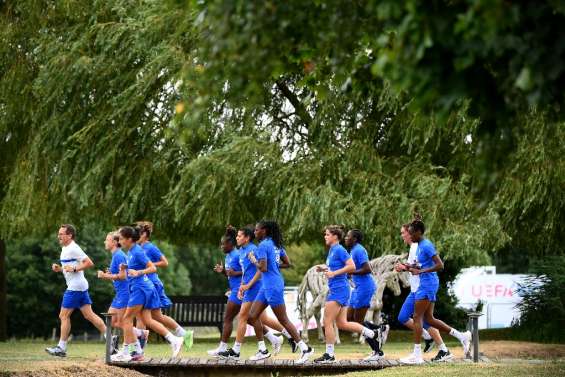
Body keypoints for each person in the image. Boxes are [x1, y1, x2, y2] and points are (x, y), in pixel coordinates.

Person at [399, 216, 471, 365]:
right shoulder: (418, 246)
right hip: (426, 284)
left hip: (427, 284)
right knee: (429, 319)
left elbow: (440, 265)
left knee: (417, 317)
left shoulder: (426, 245)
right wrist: (407, 268)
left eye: (412, 233)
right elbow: (420, 266)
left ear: (419, 232)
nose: (410, 236)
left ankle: (417, 356)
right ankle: (461, 336)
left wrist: (423, 271)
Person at [110, 226, 184, 362]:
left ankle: (131, 351)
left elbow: (152, 267)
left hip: (141, 288)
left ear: (129, 239)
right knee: (147, 319)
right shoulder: (132, 251)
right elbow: (136, 266)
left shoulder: (137, 251)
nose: (119, 241)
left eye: (121, 238)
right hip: (142, 288)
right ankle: (173, 339)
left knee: (126, 319)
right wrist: (126, 268)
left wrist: (138, 272)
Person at [216, 225, 289, 359]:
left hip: (256, 286)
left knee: (244, 317)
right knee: (256, 318)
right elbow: (245, 272)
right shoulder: (243, 251)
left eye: (239, 236)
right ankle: (277, 340)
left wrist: (248, 285)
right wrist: (241, 287)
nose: (237, 238)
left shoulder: (254, 249)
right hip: (248, 288)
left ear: (247, 238)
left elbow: (260, 270)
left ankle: (239, 351)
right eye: (236, 236)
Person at [246, 220, 314, 363]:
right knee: (251, 317)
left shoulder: (263, 245)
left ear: (264, 231)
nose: (255, 232)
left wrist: (253, 260)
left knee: (283, 319)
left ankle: (305, 349)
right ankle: (265, 348)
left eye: (257, 230)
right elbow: (288, 263)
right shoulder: (276, 244)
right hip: (267, 285)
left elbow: (263, 268)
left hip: (272, 286)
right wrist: (275, 266)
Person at [314, 225, 382, 363]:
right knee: (342, 323)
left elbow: (351, 266)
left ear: (335, 236)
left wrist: (333, 273)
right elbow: (337, 267)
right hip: (340, 289)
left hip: (339, 290)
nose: (325, 236)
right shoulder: (333, 250)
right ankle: (371, 333)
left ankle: (329, 355)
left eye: (327, 234)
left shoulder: (339, 249)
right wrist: (325, 268)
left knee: (326, 321)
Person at [395, 223, 449, 360]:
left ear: (411, 233)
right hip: (417, 288)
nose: (402, 235)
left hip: (421, 288)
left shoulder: (418, 246)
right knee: (418, 319)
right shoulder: (416, 245)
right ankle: (434, 341)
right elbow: (416, 266)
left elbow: (422, 267)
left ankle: (439, 347)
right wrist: (404, 267)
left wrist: (408, 268)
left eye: (403, 233)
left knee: (423, 319)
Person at [136, 222, 193, 351]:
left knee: (143, 316)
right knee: (156, 317)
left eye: (138, 233)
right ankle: (184, 334)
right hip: (146, 283)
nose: (135, 236)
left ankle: (139, 349)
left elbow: (165, 262)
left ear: (144, 234)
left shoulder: (150, 247)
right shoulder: (139, 248)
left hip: (151, 283)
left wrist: (149, 264)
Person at [208, 226, 244, 355]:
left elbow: (248, 271)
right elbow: (230, 273)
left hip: (239, 290)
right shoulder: (228, 256)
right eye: (221, 244)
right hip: (234, 289)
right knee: (252, 319)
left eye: (223, 244)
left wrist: (235, 273)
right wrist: (223, 271)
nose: (221, 247)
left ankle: (222, 348)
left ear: (231, 244)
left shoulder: (237, 254)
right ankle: (273, 338)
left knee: (227, 318)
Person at [97, 231, 129, 354]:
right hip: (120, 293)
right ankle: (115, 344)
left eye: (107, 239)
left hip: (125, 292)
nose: (105, 242)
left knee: (122, 322)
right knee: (112, 321)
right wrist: (111, 273)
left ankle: (131, 347)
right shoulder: (116, 255)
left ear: (115, 242)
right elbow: (119, 273)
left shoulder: (119, 255)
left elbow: (123, 276)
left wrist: (105, 276)